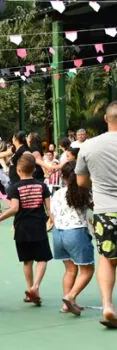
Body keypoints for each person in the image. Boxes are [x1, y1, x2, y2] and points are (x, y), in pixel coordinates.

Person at [75, 101, 117, 328]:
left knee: (108, 261)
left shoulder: (89, 146)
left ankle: (108, 305)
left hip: (105, 210)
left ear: (106, 119)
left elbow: (81, 181)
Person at [0, 154, 52, 306]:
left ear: (18, 170)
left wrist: (0, 218)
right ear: (34, 169)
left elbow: (14, 208)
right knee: (42, 259)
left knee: (27, 261)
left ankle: (30, 289)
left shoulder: (15, 188)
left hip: (22, 227)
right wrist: (52, 221)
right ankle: (36, 287)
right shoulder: (42, 186)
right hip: (39, 226)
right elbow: (49, 209)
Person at [50, 161, 94, 316]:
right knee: (87, 270)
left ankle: (68, 305)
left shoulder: (57, 193)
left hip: (58, 233)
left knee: (70, 270)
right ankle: (70, 296)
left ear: (64, 177)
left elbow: (52, 215)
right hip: (76, 232)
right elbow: (94, 207)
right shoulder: (84, 192)